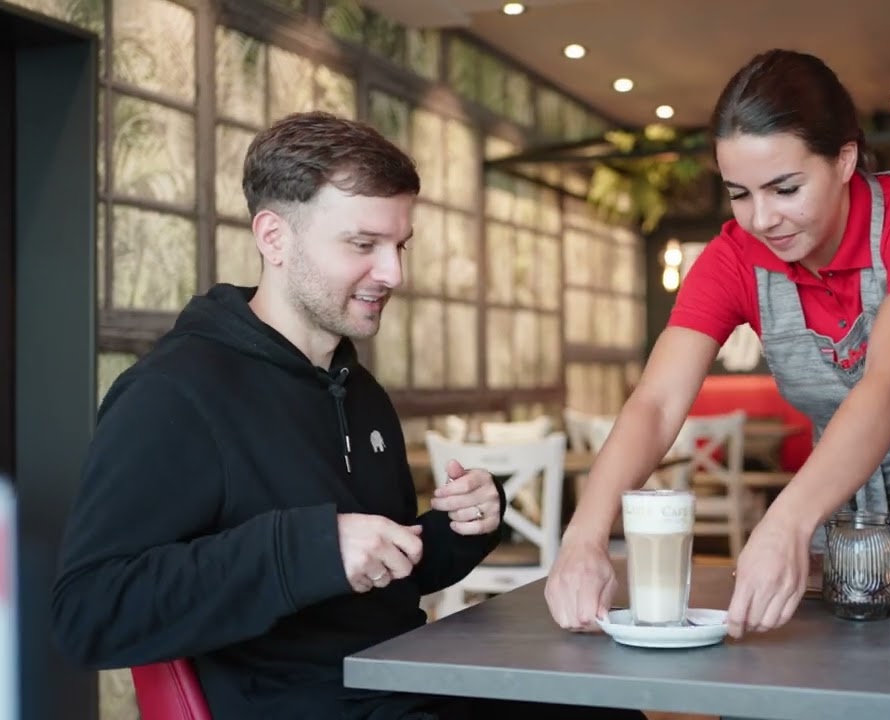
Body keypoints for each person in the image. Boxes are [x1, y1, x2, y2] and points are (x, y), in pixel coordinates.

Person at [51, 112, 645, 720]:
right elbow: (89, 613)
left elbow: (373, 585)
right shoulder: (173, 394)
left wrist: (456, 530)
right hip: (306, 706)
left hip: (401, 683)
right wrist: (302, 549)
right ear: (274, 237)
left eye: (398, 246)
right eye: (364, 245)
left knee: (608, 708)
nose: (393, 273)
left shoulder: (357, 389)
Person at [545, 49, 890, 639]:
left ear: (844, 160)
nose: (762, 219)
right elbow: (656, 404)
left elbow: (889, 386)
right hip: (844, 522)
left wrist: (784, 522)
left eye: (785, 188)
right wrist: (583, 538)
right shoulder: (733, 260)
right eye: (739, 193)